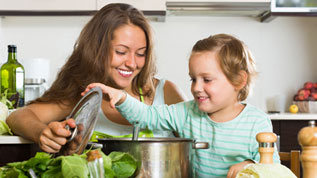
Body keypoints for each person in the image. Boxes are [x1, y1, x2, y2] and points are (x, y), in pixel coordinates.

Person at [82, 34, 280, 178]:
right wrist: (121, 97)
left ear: (239, 80)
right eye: (193, 79)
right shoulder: (186, 112)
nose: (196, 88)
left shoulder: (257, 123)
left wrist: (251, 165)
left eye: (207, 79)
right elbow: (147, 116)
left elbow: (274, 170)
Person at [6, 3, 186, 153]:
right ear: (97, 50)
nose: (132, 63)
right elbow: (17, 117)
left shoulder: (165, 92)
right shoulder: (83, 96)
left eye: (141, 54)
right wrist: (42, 133)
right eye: (121, 52)